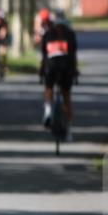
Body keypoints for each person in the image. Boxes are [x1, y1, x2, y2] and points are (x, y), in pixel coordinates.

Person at [41, 9, 79, 140]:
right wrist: (75, 72)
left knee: (48, 88)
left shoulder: (47, 33)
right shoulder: (70, 34)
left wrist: (41, 72)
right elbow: (73, 56)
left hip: (51, 67)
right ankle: (69, 131)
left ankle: (47, 111)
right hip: (66, 68)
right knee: (67, 97)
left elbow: (44, 56)